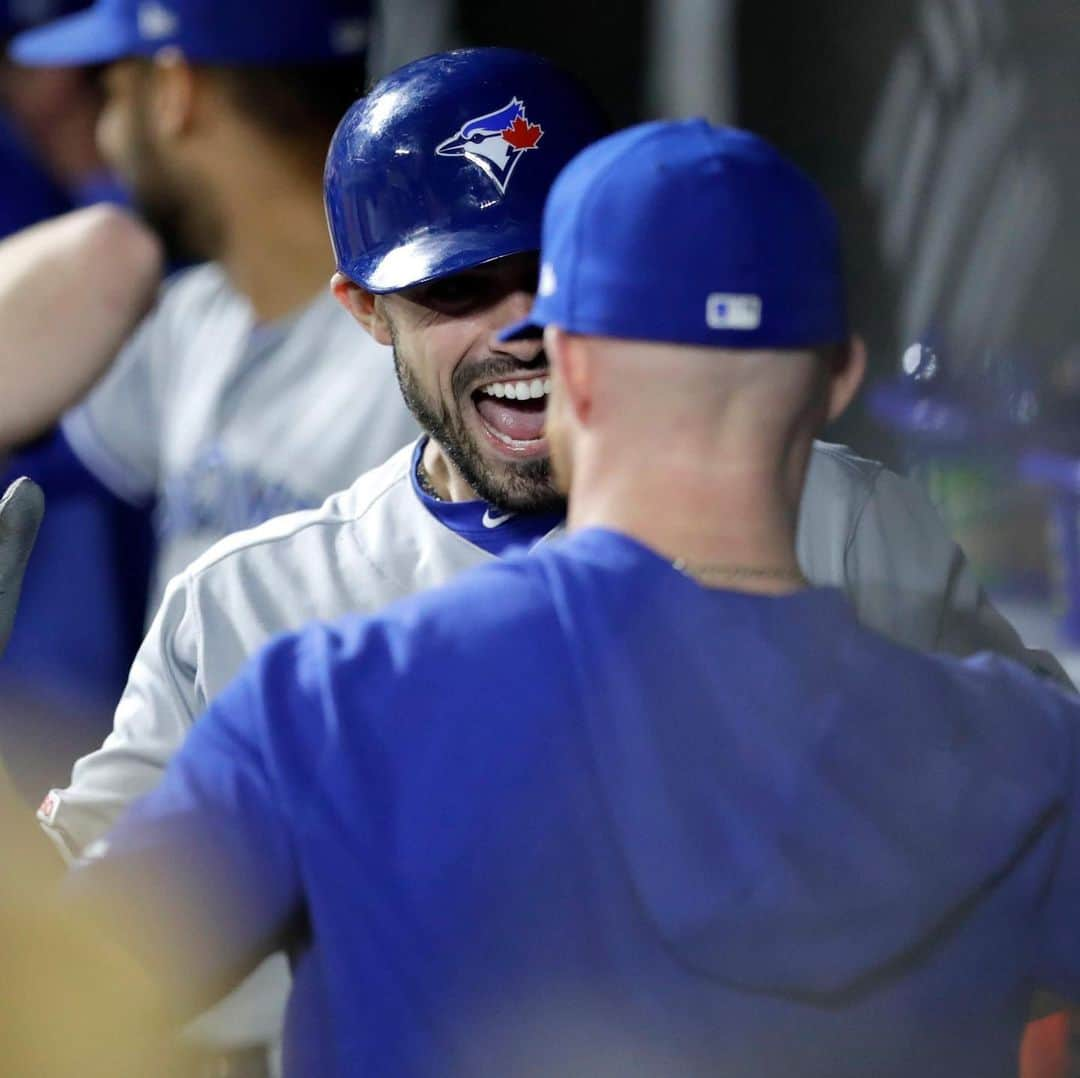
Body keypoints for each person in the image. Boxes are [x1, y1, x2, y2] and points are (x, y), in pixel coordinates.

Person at [69, 119, 1080, 1077]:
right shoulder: (1020, 755)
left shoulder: (334, 704)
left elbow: (49, 1001)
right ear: (839, 378)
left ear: (573, 371)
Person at [5, 0, 417, 614]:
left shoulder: (431, 347)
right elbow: (40, 451)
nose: (106, 135)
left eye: (113, 93)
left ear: (175, 90)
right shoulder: (191, 321)